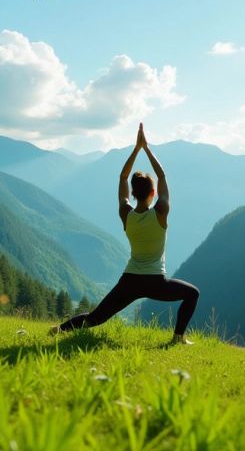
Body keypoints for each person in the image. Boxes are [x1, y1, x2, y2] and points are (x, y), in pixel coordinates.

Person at [51, 123, 200, 345]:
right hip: (156, 282)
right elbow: (163, 176)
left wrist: (136, 149)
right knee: (192, 294)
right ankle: (178, 338)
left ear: (133, 193)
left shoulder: (126, 214)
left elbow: (122, 178)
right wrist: (146, 148)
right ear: (153, 193)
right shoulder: (161, 212)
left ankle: (57, 331)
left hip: (129, 280)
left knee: (95, 318)